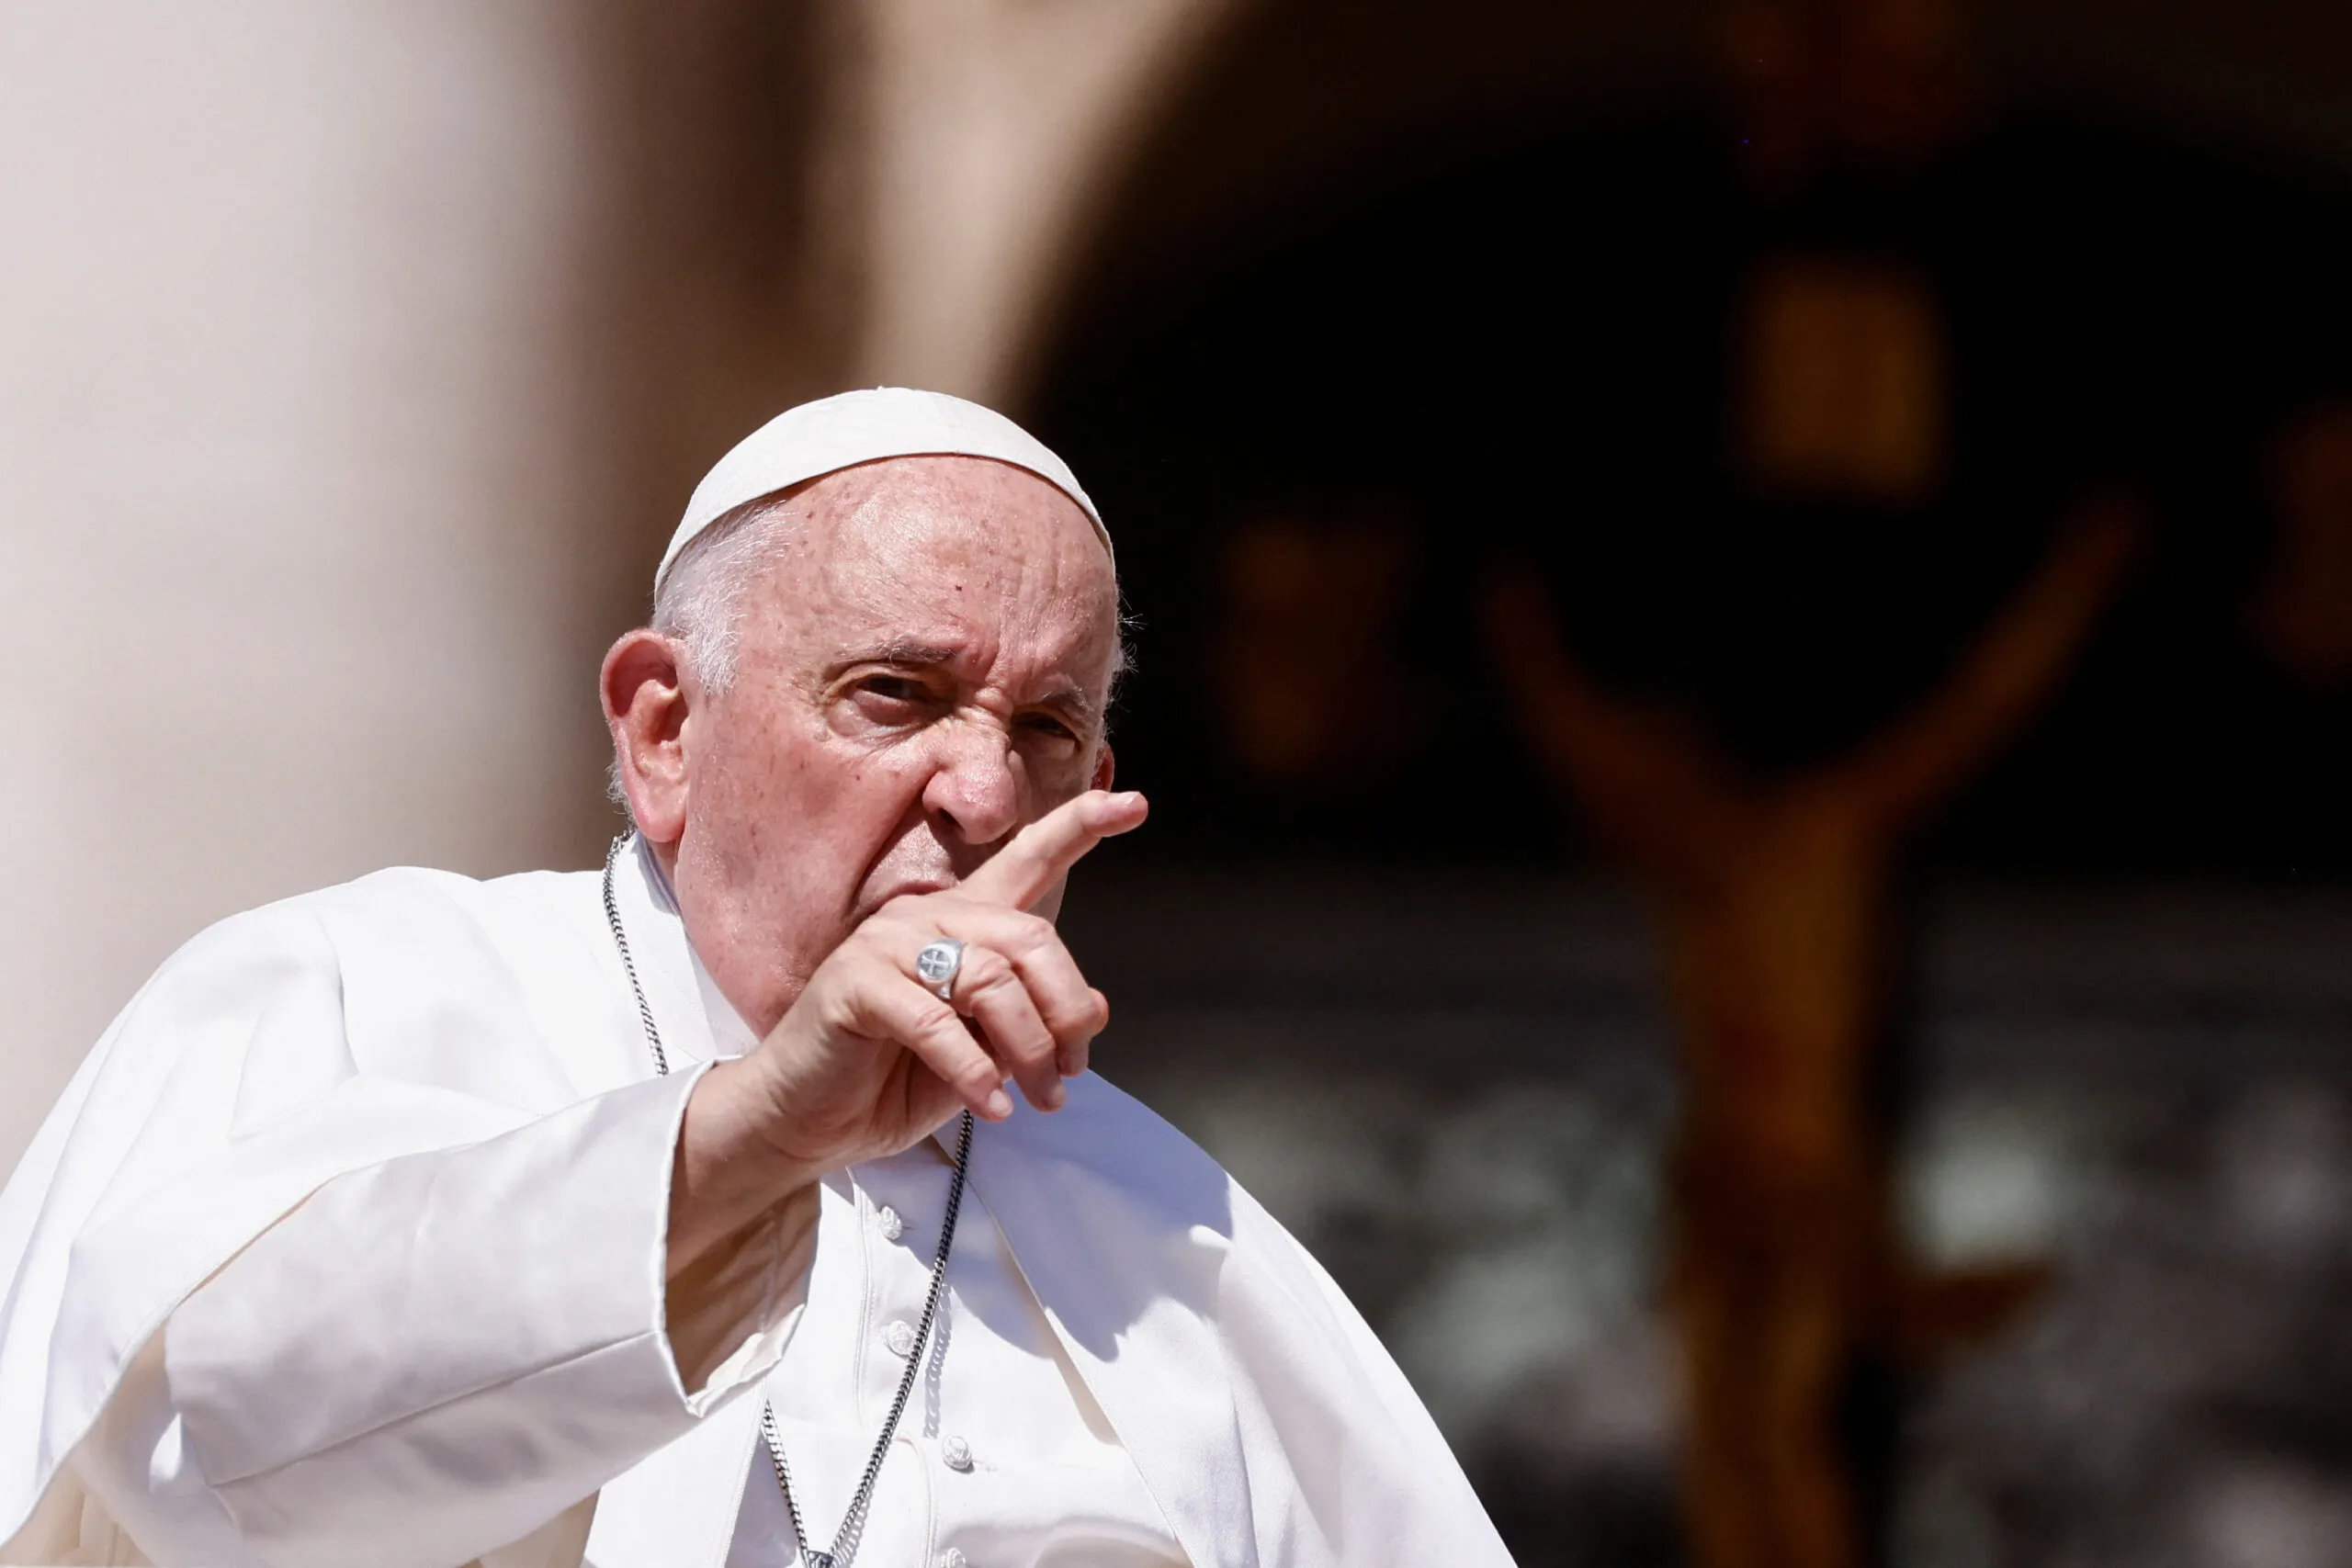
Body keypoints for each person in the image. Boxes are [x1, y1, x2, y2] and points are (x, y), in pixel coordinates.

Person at [0, 389, 1513, 1568]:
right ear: (664, 729)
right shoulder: (357, 990)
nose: (979, 790)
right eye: (895, 694)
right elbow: (190, 1443)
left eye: (1045, 728)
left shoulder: (1177, 1232)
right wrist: (749, 1137)